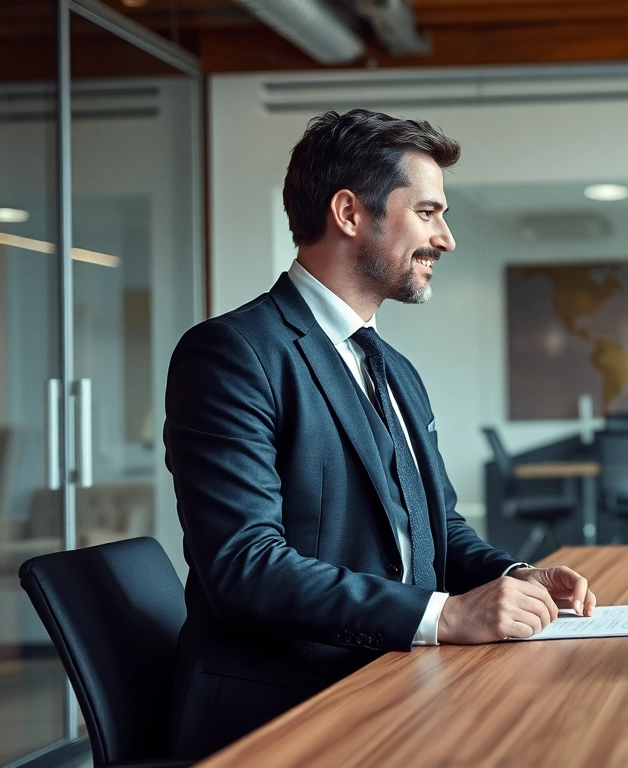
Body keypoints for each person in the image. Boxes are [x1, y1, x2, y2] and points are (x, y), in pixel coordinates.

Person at [163, 109, 596, 759]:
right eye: (427, 213)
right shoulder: (232, 354)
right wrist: (446, 616)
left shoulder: (394, 369)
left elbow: (437, 528)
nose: (446, 239)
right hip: (283, 709)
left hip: (399, 681)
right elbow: (245, 567)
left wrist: (517, 577)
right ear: (349, 213)